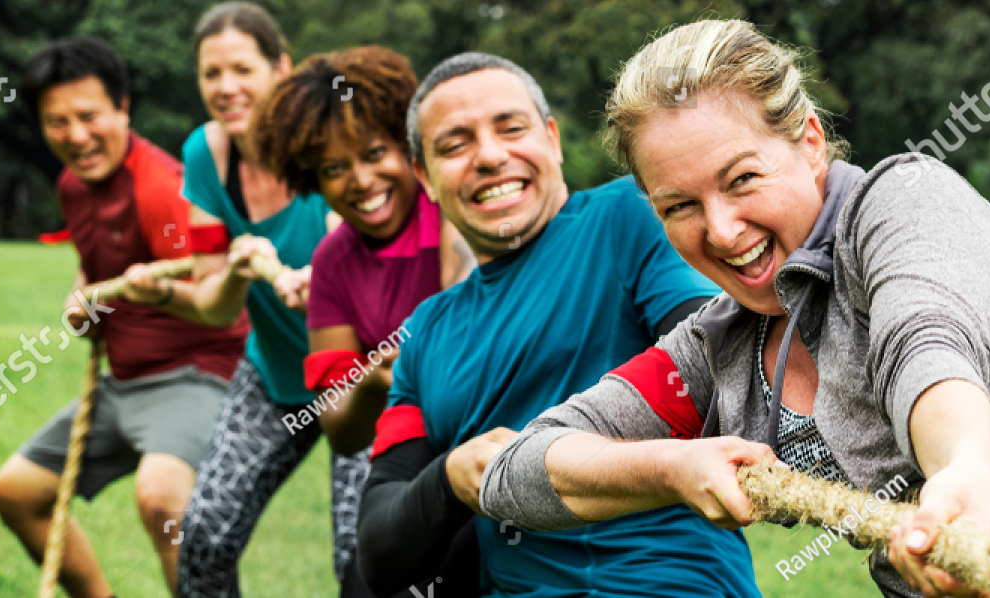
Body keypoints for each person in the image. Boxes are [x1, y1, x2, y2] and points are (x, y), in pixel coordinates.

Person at [480, 20, 990, 598]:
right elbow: (516, 473)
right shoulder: (714, 350)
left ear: (810, 142)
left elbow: (928, 346)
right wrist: (674, 465)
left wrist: (962, 477)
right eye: (679, 205)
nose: (720, 230)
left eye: (742, 179)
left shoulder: (905, 204)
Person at [354, 52, 760, 598]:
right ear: (424, 177)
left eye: (511, 128)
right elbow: (379, 554)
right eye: (455, 145)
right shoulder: (425, 332)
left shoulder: (629, 216)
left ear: (552, 137)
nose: (491, 156)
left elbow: (722, 372)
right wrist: (453, 477)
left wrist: (550, 463)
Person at [0, 36, 250, 597]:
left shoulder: (162, 189)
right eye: (57, 122)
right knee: (16, 492)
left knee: (161, 498)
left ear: (122, 108)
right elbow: (96, 276)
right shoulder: (72, 187)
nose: (76, 136)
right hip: (122, 383)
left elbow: (217, 301)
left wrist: (154, 294)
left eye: (88, 116)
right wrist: (83, 301)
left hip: (198, 372)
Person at [250, 45, 479, 594]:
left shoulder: (452, 210)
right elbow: (340, 427)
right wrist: (373, 381)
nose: (360, 180)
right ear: (312, 179)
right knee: (366, 582)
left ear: (408, 145)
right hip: (409, 450)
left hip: (491, 445)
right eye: (334, 168)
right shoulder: (332, 261)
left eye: (376, 152)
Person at [169, 3, 366, 596]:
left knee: (362, 560)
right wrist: (239, 266)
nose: (226, 88)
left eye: (241, 70)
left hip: (367, 380)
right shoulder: (206, 156)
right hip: (276, 375)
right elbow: (214, 307)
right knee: (202, 536)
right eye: (211, 74)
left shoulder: (330, 142)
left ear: (280, 67)